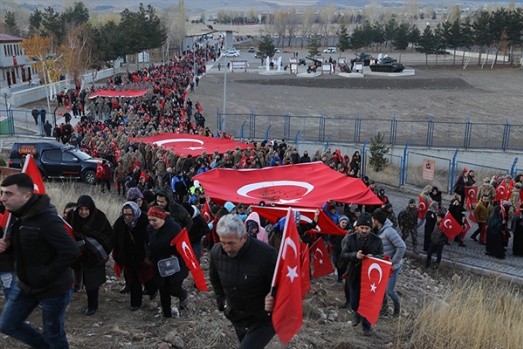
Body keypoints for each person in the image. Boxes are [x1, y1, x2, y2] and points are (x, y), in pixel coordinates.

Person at [0, 173, 80, 348]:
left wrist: (46, 274)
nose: (3, 198)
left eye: (8, 194)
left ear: (27, 195)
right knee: (7, 324)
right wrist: (7, 246)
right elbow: (26, 248)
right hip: (26, 285)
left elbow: (71, 251)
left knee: (53, 334)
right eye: (1, 193)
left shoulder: (47, 220)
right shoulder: (16, 217)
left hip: (53, 288)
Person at [209, 214, 277, 348]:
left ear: (244, 237)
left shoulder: (266, 254)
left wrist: (275, 298)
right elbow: (215, 279)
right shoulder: (216, 252)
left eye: (231, 243)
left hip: (263, 319)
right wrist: (222, 302)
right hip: (237, 317)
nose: (226, 248)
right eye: (223, 242)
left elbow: (282, 283)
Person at [66, 195, 113, 315]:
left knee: (92, 282)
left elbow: (108, 236)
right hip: (78, 253)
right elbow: (66, 232)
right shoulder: (72, 217)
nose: (83, 212)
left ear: (91, 209)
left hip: (95, 255)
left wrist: (93, 247)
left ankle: (93, 305)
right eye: (81, 209)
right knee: (77, 279)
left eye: (86, 209)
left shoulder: (99, 218)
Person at [339, 212, 383, 336]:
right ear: (357, 227)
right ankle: (357, 313)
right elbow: (343, 254)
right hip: (354, 274)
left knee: (367, 303)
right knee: (354, 301)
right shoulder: (350, 238)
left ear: (371, 228)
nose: (364, 231)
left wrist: (372, 257)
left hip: (370, 277)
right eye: (362, 228)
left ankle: (366, 327)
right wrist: (355, 255)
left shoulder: (377, 241)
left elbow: (382, 256)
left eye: (367, 228)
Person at [145, 206, 189, 318]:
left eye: (154, 220)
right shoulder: (149, 229)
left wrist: (173, 255)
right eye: (149, 220)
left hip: (176, 263)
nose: (152, 223)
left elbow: (183, 247)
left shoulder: (174, 228)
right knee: (162, 288)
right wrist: (149, 256)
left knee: (173, 289)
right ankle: (167, 314)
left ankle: (182, 294)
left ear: (162, 218)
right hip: (159, 264)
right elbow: (146, 244)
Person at [112, 201, 156, 311]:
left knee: (147, 276)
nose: (127, 217)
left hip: (143, 257)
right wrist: (118, 256)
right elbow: (115, 239)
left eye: (130, 214)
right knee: (133, 280)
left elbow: (152, 238)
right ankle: (135, 303)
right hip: (128, 257)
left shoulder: (145, 221)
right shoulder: (120, 223)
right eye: (125, 214)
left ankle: (152, 291)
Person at [372, 209, 406, 318]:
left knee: (389, 290)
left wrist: (392, 262)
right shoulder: (379, 230)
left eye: (373, 219)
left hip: (392, 267)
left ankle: (397, 310)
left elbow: (402, 246)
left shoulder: (389, 231)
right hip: (383, 266)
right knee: (381, 289)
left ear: (376, 220)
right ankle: (384, 310)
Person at [331, 215, 350, 287]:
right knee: (336, 263)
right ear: (340, 222)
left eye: (345, 223)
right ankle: (340, 276)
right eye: (343, 222)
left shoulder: (349, 230)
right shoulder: (335, 228)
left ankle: (341, 277)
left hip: (345, 251)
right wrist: (334, 245)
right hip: (337, 250)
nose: (344, 224)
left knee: (343, 265)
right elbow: (331, 238)